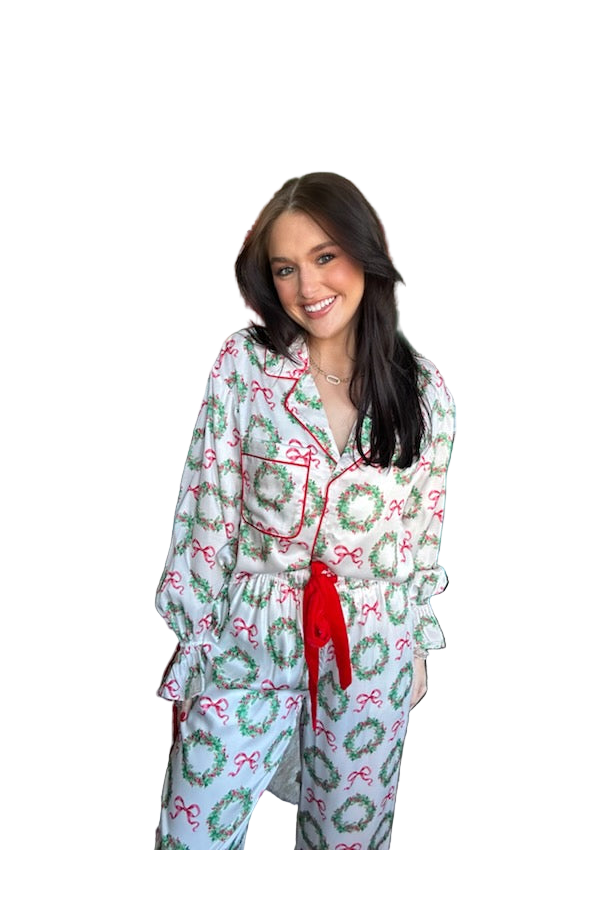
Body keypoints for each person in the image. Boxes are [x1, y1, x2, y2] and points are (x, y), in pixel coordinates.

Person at [154, 172, 455, 850]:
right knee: (190, 842)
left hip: (370, 646)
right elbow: (206, 509)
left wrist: (415, 641)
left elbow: (422, 531)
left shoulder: (424, 391)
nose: (307, 286)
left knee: (346, 850)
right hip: (247, 635)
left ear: (366, 253)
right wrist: (194, 639)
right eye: (285, 268)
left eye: (325, 257)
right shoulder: (245, 366)